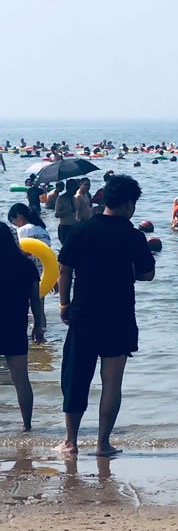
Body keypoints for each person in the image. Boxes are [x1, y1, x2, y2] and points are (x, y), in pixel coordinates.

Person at [57, 174, 155, 457]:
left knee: (76, 377)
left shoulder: (81, 229)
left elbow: (64, 269)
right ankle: (102, 444)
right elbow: (147, 274)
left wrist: (64, 305)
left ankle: (70, 442)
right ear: (129, 204)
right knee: (112, 382)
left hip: (84, 313)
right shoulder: (133, 236)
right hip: (119, 316)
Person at [0, 224, 45, 431]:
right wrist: (38, 325)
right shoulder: (26, 265)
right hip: (15, 326)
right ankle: (27, 426)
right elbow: (36, 300)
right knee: (21, 380)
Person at [8, 203, 52, 329]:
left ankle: (29, 336)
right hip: (43, 275)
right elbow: (49, 255)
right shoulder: (43, 230)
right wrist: (53, 279)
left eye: (13, 221)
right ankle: (41, 335)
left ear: (19, 216)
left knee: (24, 309)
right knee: (39, 309)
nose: (15, 225)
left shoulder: (22, 231)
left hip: (25, 273)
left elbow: (16, 251)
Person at [55, 179, 80, 244]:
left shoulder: (74, 198)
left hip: (73, 226)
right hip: (64, 227)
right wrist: (68, 211)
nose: (76, 190)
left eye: (77, 188)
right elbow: (56, 214)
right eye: (74, 189)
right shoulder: (61, 198)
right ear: (69, 188)